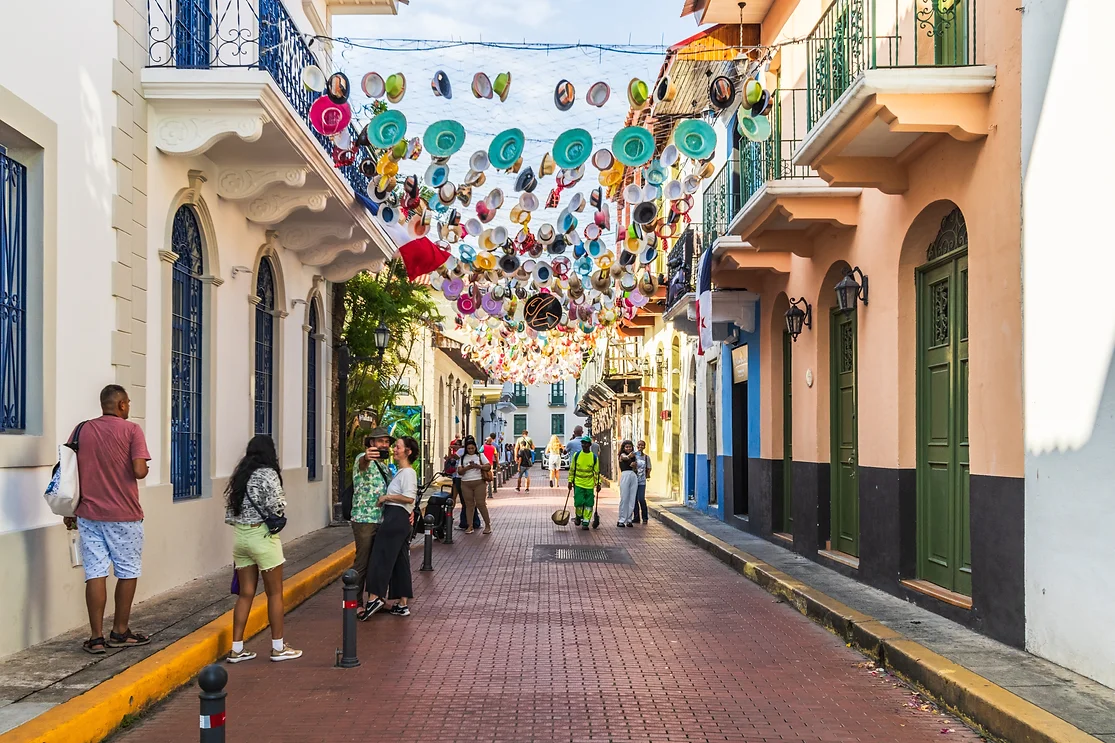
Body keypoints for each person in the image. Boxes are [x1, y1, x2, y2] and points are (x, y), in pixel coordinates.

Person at [64, 385, 152, 654]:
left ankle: (96, 638)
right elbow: (139, 471)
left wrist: (69, 510)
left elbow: (69, 471)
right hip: (124, 515)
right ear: (122, 404)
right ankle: (120, 631)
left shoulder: (81, 429)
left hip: (89, 515)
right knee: (128, 571)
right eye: (129, 403)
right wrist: (145, 466)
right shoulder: (132, 430)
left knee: (95, 573)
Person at [224, 435, 301, 662]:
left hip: (240, 538)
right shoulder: (268, 474)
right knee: (274, 593)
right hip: (262, 537)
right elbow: (276, 505)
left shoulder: (240, 475)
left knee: (245, 594)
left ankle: (236, 649)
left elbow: (230, 511)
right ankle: (278, 647)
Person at [362, 436, 421, 619]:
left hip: (395, 518)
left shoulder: (408, 473)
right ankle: (402, 604)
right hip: (399, 518)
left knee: (380, 556)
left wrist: (386, 498)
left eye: (398, 447)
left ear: (408, 452)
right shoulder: (401, 472)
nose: (394, 449)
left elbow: (409, 498)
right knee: (400, 562)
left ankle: (374, 598)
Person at [350, 428, 394, 615]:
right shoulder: (362, 458)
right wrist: (367, 457)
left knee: (377, 562)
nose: (385, 445)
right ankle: (355, 603)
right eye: (381, 441)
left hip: (381, 519)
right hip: (364, 519)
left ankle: (376, 599)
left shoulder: (384, 467)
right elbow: (363, 463)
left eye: (387, 442)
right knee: (363, 561)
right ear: (371, 443)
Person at [458, 437, 492, 534]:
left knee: (481, 504)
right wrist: (468, 467)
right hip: (465, 483)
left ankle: (488, 525)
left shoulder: (480, 455)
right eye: (469, 448)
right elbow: (460, 471)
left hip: (479, 482)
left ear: (475, 448)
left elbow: (488, 466)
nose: (471, 450)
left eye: (472, 448)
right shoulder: (463, 458)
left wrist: (479, 466)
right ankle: (470, 526)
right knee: (469, 505)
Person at [568, 436, 601, 530]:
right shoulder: (577, 455)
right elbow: (572, 469)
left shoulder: (594, 457)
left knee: (589, 504)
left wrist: (598, 483)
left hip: (589, 484)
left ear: (589, 445)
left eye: (586, 443)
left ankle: (586, 521)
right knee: (578, 502)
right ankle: (579, 516)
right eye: (583, 443)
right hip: (578, 483)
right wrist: (570, 481)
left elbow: (596, 472)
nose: (584, 445)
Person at [617, 439, 638, 528]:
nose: (629, 448)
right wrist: (630, 457)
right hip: (625, 475)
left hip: (633, 475)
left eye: (630, 447)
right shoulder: (622, 455)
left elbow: (635, 466)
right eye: (627, 447)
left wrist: (635, 465)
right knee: (624, 498)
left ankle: (629, 519)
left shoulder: (634, 456)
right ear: (623, 448)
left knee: (632, 498)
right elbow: (625, 458)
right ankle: (621, 519)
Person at [632, 440, 652, 524]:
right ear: (637, 446)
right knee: (634, 499)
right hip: (633, 481)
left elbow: (649, 468)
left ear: (644, 447)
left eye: (642, 445)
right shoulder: (633, 455)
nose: (640, 446)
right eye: (639, 445)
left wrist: (647, 474)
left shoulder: (646, 457)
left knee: (641, 499)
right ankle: (636, 517)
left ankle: (645, 517)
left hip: (642, 481)